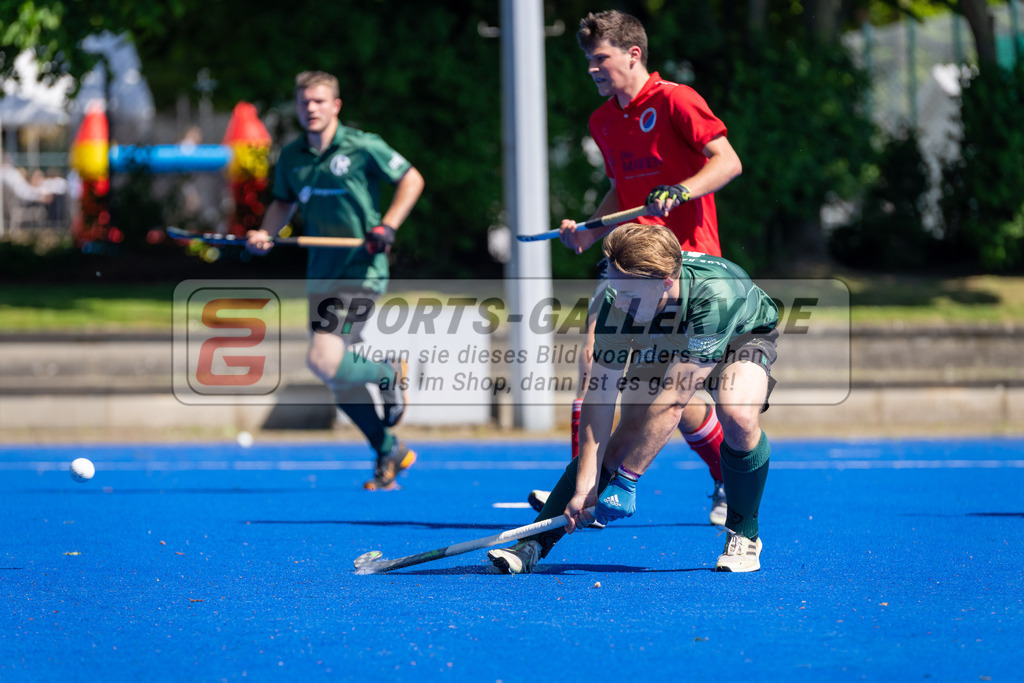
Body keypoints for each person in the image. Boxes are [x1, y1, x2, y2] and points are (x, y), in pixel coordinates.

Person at [531, 10, 745, 526]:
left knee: (664, 391)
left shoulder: (676, 99)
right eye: (588, 59)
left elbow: (728, 161)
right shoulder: (603, 121)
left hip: (684, 267)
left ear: (633, 53)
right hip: (627, 265)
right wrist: (590, 228)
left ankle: (722, 476)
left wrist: (682, 189)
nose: (592, 68)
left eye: (599, 57)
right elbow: (623, 191)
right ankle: (588, 482)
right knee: (592, 364)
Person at [489, 223, 778, 574]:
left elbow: (673, 400)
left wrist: (627, 480)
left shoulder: (717, 295)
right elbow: (599, 398)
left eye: (628, 294)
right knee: (625, 433)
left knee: (738, 413)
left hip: (739, 337)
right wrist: (586, 485)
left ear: (666, 282)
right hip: (664, 333)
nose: (618, 302)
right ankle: (533, 543)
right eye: (614, 288)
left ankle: (745, 533)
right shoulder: (621, 301)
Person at [246, 70, 425, 490]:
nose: (311, 108)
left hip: (361, 272)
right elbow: (282, 204)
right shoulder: (292, 157)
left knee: (322, 359)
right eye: (305, 101)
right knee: (337, 375)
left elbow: (411, 179)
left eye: (320, 101)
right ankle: (389, 450)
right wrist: (265, 234)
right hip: (320, 276)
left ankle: (386, 373)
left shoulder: (363, 146)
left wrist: (388, 226)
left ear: (336, 106)